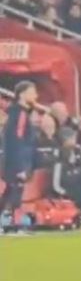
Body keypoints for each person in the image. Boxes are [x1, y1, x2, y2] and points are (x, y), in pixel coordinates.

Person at [0, 80, 39, 232]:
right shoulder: (20, 113)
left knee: (10, 191)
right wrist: (21, 167)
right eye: (33, 91)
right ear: (23, 94)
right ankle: (14, 224)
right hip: (17, 161)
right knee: (15, 191)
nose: (36, 95)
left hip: (13, 159)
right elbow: (18, 140)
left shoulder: (17, 112)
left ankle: (8, 222)